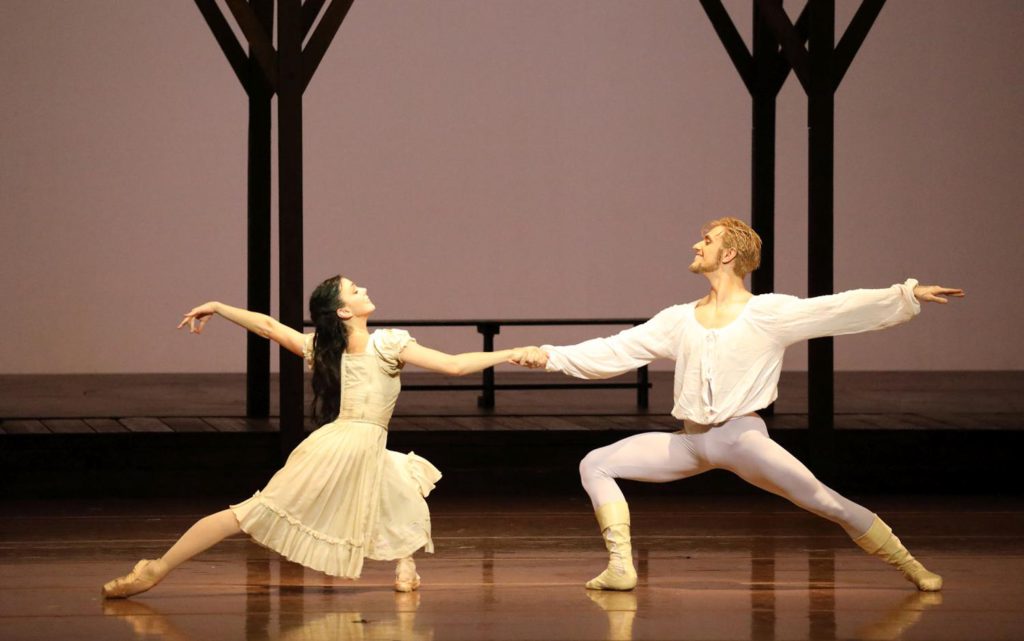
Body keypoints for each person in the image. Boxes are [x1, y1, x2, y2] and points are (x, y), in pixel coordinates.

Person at [514, 217, 963, 592]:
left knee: (827, 502)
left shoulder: (766, 313)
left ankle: (910, 567)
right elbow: (615, 349)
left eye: (706, 240)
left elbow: (836, 308)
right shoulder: (678, 319)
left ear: (727, 254)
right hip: (690, 443)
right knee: (596, 463)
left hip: (741, 439)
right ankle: (620, 568)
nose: (697, 244)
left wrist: (905, 295)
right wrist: (550, 356)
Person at [102, 274, 533, 598]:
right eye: (354, 290)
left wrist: (218, 305)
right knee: (252, 512)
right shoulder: (387, 344)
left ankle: (405, 564)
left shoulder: (325, 349)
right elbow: (454, 366)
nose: (363, 290)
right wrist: (512, 353)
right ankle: (156, 568)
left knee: (397, 481)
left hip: (351, 442)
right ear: (344, 311)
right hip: (345, 446)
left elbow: (271, 328)